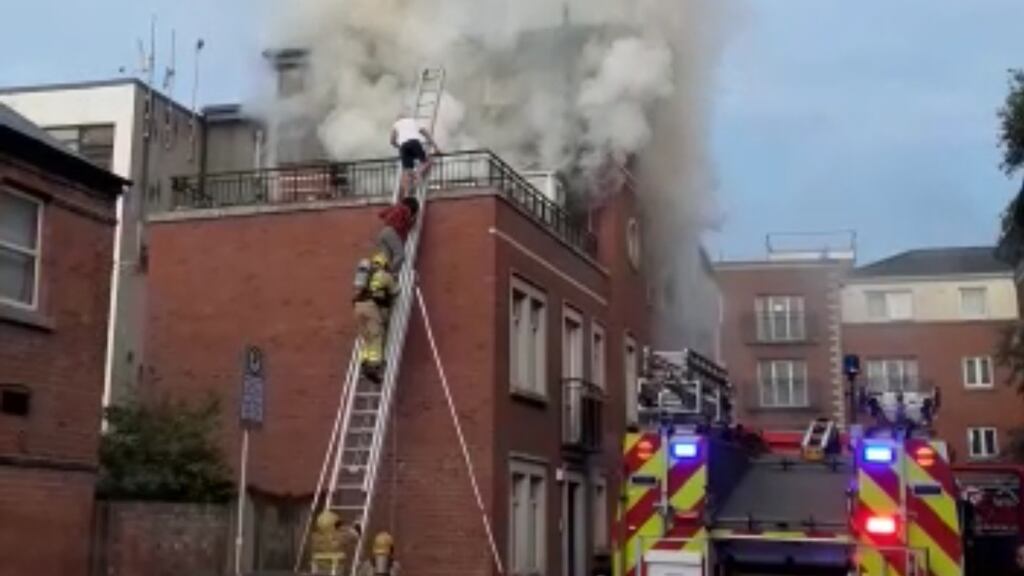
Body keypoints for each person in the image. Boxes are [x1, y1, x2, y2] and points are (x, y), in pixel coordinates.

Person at [353, 252, 399, 382]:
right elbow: (395, 291)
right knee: (376, 335)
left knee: (366, 337)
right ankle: (373, 366)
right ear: (384, 264)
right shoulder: (383, 275)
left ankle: (364, 361)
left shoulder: (366, 277)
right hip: (370, 307)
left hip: (357, 307)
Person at [390, 115, 440, 197]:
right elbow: (426, 133)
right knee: (426, 162)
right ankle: (418, 173)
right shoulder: (413, 121)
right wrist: (435, 147)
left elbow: (392, 141)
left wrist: (399, 146)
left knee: (408, 171)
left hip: (403, 147)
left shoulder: (396, 124)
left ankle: (407, 194)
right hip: (414, 143)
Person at [375, 196, 419, 274]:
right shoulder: (406, 209)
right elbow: (408, 222)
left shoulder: (395, 207)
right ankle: (390, 272)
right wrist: (413, 220)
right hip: (392, 232)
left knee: (386, 260)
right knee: (400, 255)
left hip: (383, 233)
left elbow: (380, 214)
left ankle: (380, 275)